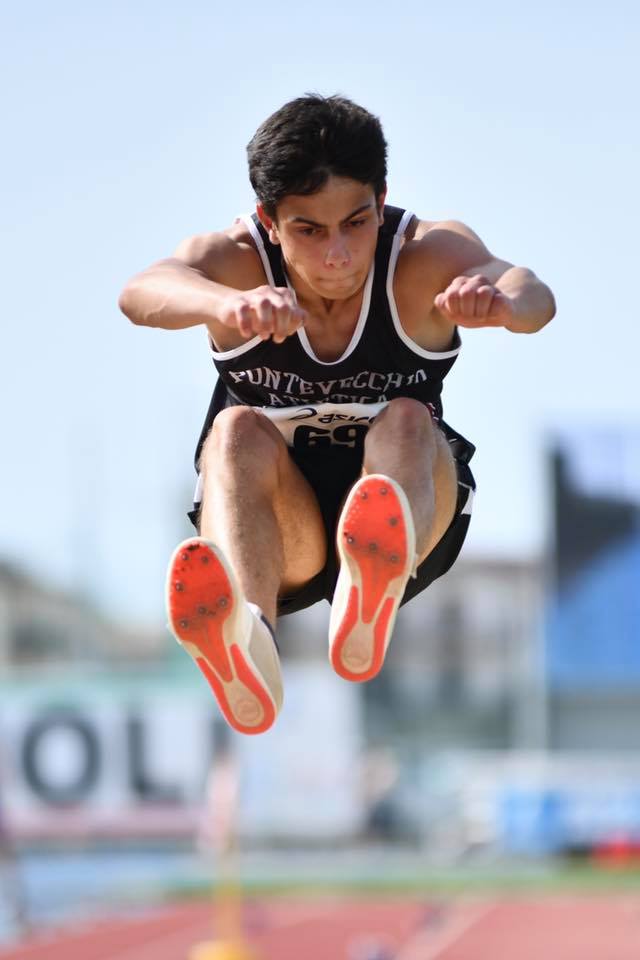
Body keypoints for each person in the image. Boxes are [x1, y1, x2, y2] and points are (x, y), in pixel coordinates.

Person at [119, 94, 555, 736]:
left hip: (407, 507)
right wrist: (224, 306)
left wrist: (501, 302)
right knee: (233, 431)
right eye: (310, 231)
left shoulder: (424, 256)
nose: (339, 255)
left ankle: (369, 581)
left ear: (381, 201)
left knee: (407, 418)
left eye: (356, 223)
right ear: (269, 221)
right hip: (275, 531)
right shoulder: (238, 262)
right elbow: (139, 293)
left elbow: (534, 293)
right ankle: (249, 637)